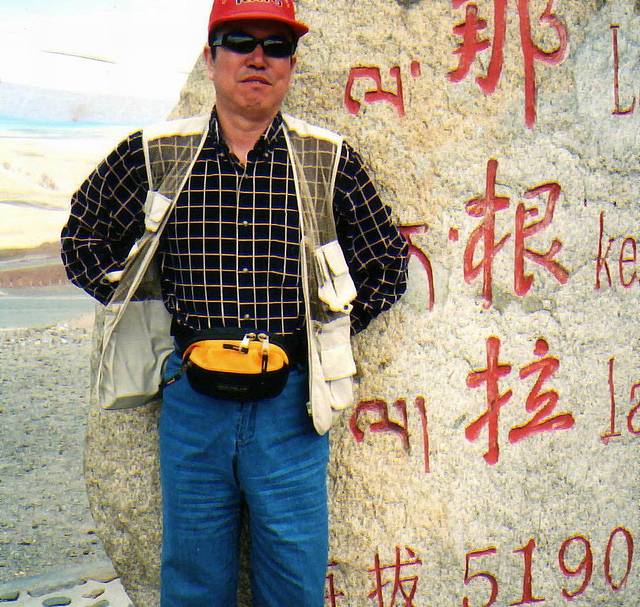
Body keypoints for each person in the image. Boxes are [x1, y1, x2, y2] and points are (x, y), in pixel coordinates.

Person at [61, 0, 409, 605]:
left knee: (294, 583)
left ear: (292, 63)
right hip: (192, 401)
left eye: (276, 46)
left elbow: (387, 263)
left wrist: (322, 332)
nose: (258, 58)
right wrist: (150, 310)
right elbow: (82, 241)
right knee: (194, 582)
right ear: (211, 57)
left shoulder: (326, 160)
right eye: (241, 42)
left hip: (292, 404)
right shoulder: (157, 154)